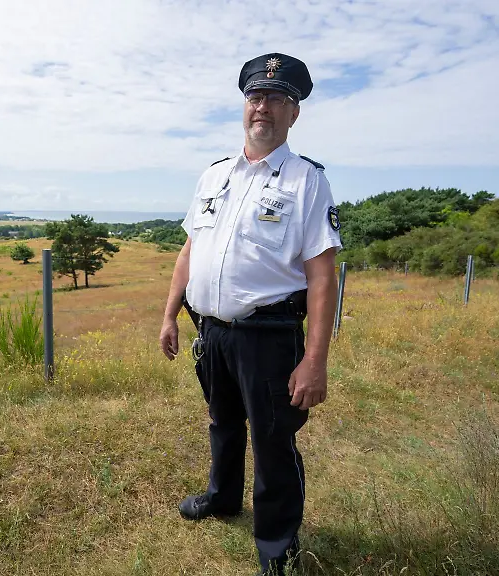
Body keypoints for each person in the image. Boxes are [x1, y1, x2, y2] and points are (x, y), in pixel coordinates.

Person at [158, 52, 342, 576]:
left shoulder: (306, 181)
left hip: (268, 336)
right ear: (245, 106)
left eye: (277, 99)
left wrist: (315, 361)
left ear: (293, 113)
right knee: (222, 423)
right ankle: (222, 498)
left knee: (272, 440)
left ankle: (277, 546)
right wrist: (170, 314)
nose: (263, 106)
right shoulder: (214, 175)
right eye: (255, 96)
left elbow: (322, 277)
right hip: (213, 333)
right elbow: (190, 250)